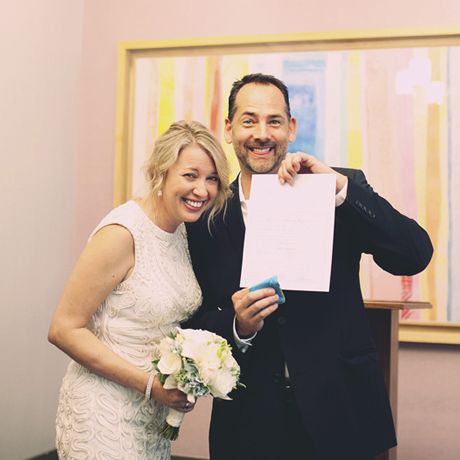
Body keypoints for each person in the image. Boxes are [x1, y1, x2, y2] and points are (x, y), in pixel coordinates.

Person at [185, 74, 434, 460]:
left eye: (274, 121)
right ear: (230, 129)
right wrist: (237, 326)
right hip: (248, 422)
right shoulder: (208, 217)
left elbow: (414, 255)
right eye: (249, 121)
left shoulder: (337, 189)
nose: (261, 133)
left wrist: (338, 189)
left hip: (339, 412)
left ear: (292, 128)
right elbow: (190, 318)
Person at [48, 120, 232, 460]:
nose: (202, 190)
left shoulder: (179, 231)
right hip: (103, 411)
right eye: (190, 175)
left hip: (150, 418)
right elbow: (63, 328)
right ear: (161, 174)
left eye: (212, 179)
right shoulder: (122, 233)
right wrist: (150, 385)